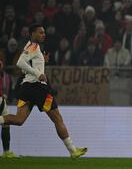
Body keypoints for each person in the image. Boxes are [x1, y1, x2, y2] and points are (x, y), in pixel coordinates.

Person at [0, 24, 87, 159]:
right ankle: (73, 151)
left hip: (27, 89)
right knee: (57, 119)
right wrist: (38, 73)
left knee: (19, 120)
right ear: (32, 34)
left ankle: (73, 151)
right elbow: (20, 63)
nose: (43, 34)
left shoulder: (33, 48)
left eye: (44, 32)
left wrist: (42, 63)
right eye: (40, 32)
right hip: (39, 89)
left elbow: (26, 66)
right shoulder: (33, 47)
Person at [0, 60, 14, 158]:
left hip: (2, 98)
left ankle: (6, 151)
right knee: (6, 122)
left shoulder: (5, 75)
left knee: (6, 123)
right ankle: (6, 151)